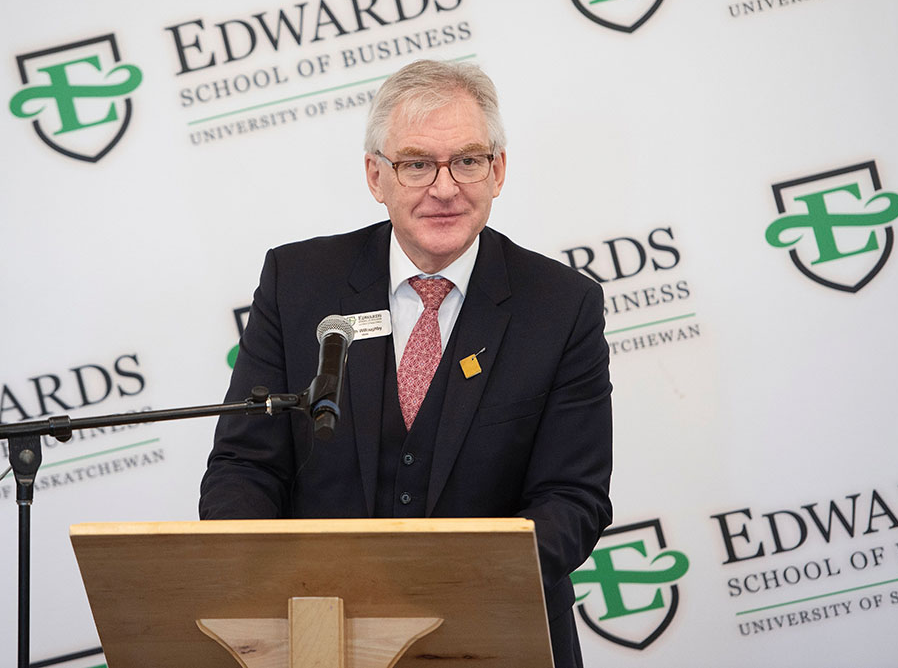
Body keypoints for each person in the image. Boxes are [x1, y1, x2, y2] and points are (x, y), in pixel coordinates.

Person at [199, 59, 612, 668]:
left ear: (498, 171)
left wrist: (455, 583)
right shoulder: (298, 284)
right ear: (376, 175)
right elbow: (244, 467)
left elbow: (572, 499)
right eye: (417, 163)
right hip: (316, 635)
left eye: (468, 160)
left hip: (497, 637)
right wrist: (275, 587)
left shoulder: (562, 305)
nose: (444, 188)